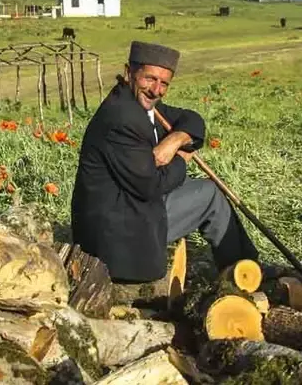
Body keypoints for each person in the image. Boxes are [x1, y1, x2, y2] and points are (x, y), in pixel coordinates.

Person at [71, 40, 259, 283]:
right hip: (119, 234)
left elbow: (191, 119)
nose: (156, 90)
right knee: (208, 195)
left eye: (164, 83)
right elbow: (151, 185)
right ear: (130, 72)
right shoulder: (121, 119)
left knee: (208, 192)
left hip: (131, 210)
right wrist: (181, 158)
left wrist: (176, 139)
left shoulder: (143, 106)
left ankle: (245, 270)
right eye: (149, 79)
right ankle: (242, 273)